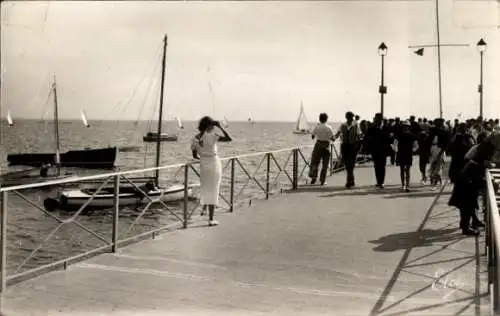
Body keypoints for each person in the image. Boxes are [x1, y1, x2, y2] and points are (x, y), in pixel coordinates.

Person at [449, 132, 495, 235]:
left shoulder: (480, 147)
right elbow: (483, 163)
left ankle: (470, 223)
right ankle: (466, 228)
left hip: (466, 176)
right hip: (468, 178)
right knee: (467, 203)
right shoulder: (484, 149)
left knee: (467, 202)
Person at [191, 116, 232, 226]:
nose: (213, 127)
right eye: (212, 125)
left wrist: (204, 157)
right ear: (209, 125)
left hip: (204, 164)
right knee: (214, 189)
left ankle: (204, 209)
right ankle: (211, 219)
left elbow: (195, 156)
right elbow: (229, 138)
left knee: (206, 188)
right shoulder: (214, 135)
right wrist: (220, 126)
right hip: (214, 163)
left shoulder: (195, 138)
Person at [334, 111, 361, 189]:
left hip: (353, 147)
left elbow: (359, 135)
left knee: (351, 164)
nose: (351, 119)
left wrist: (359, 145)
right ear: (346, 117)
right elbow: (338, 133)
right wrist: (333, 138)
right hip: (345, 147)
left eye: (352, 117)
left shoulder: (356, 125)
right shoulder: (342, 125)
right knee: (347, 165)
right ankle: (352, 180)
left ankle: (348, 182)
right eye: (349, 117)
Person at [364, 113, 390, 188]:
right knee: (376, 166)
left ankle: (382, 182)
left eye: (379, 119)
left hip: (383, 150)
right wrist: (367, 149)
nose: (378, 120)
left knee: (382, 166)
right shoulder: (371, 128)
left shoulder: (386, 128)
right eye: (377, 119)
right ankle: (378, 182)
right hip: (374, 150)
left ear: (382, 119)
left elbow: (389, 139)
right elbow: (367, 138)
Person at [309, 113, 334, 185]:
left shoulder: (317, 127)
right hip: (326, 145)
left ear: (319, 119)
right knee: (325, 164)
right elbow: (332, 138)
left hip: (318, 144)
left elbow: (313, 136)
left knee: (315, 162)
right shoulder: (329, 127)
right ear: (326, 119)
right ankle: (322, 181)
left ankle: (313, 178)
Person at [394, 121, 418, 192]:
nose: (405, 128)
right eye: (404, 126)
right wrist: (396, 150)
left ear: (409, 127)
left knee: (407, 170)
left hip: (408, 154)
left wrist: (412, 150)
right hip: (401, 153)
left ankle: (407, 185)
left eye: (407, 126)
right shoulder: (399, 135)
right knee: (402, 169)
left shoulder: (412, 135)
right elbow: (394, 144)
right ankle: (403, 185)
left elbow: (416, 145)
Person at [428, 118, 450, 189]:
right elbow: (428, 141)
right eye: (437, 123)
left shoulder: (445, 132)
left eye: (440, 123)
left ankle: (435, 183)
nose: (438, 124)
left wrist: (441, 152)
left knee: (438, 167)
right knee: (432, 166)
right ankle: (436, 182)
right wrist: (429, 151)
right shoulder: (431, 130)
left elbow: (446, 144)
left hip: (440, 150)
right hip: (432, 149)